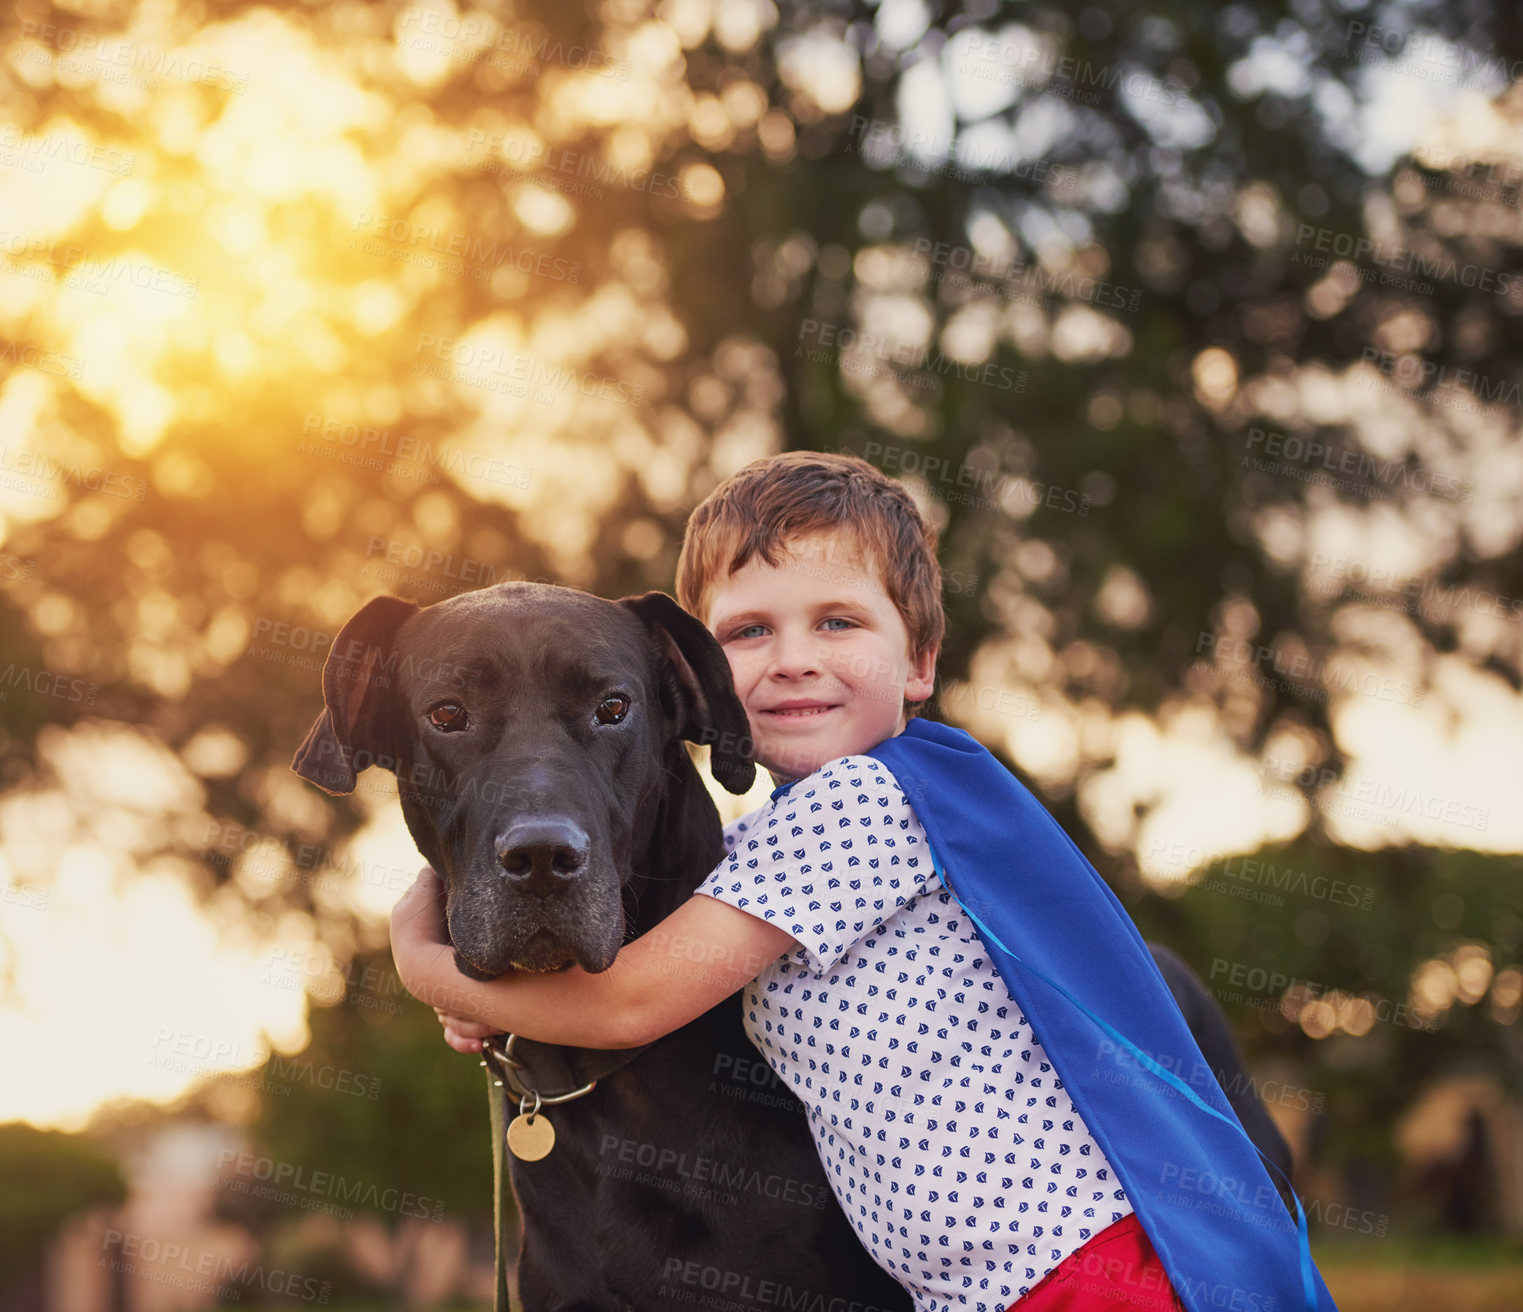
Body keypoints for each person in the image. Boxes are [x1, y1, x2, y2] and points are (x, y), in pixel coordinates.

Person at [390, 451, 1335, 1312]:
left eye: (836, 622)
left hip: (1075, 1274)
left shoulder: (869, 806)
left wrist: (425, 959)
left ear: (919, 662)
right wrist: (506, 976)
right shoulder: (778, 848)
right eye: (751, 631)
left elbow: (630, 1003)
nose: (794, 657)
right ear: (706, 678)